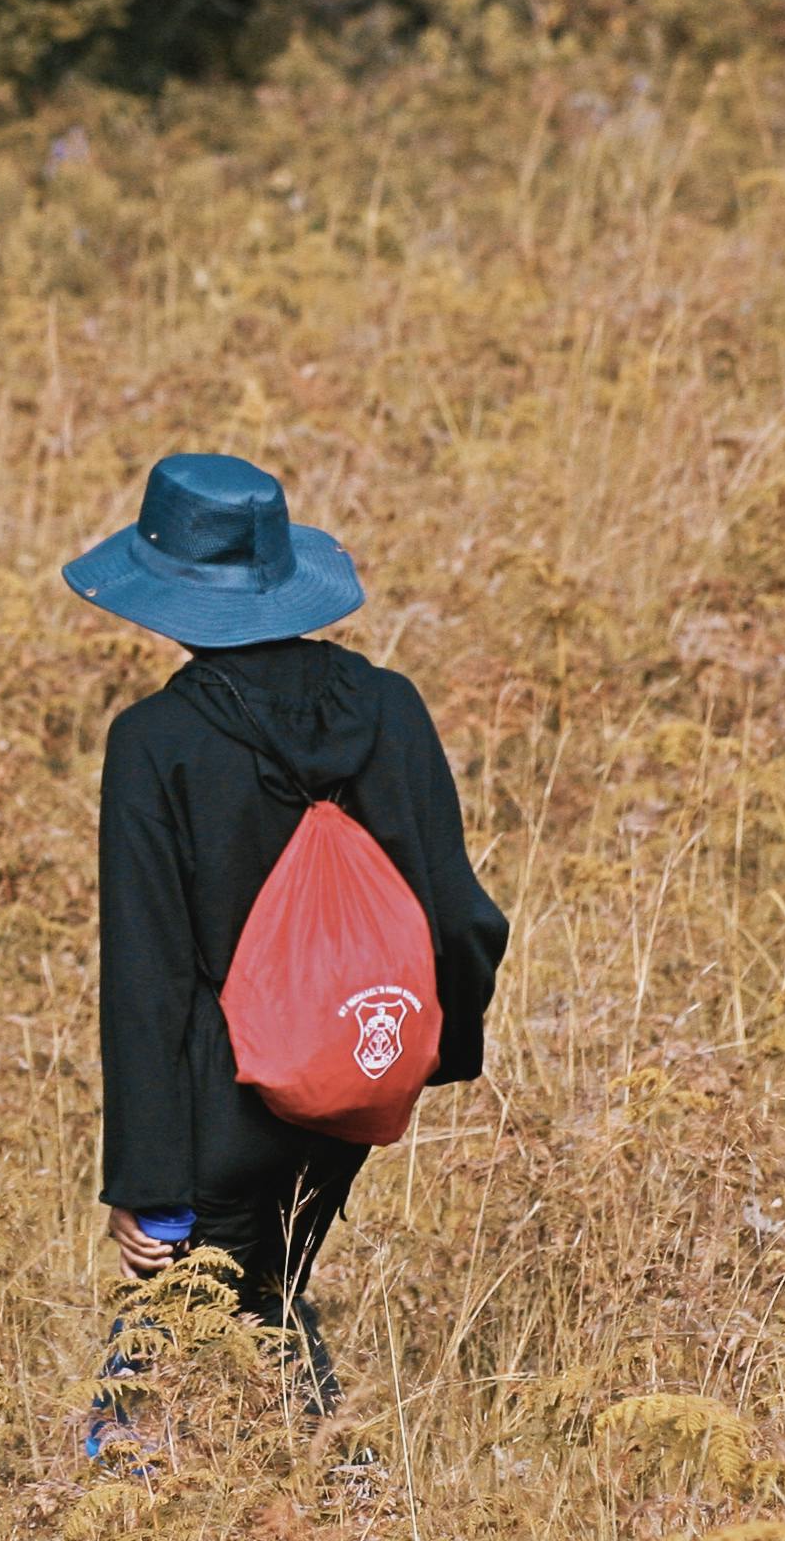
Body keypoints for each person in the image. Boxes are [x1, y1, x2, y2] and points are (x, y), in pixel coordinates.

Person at [64, 453, 507, 1409]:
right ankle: (322, 1521)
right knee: (263, 1301)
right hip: (355, 1078)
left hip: (222, 1109)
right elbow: (462, 912)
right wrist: (429, 1056)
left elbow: (150, 979)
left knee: (161, 1367)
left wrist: (144, 1178)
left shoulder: (156, 743)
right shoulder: (391, 707)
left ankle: (308, 1519)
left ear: (164, 592)